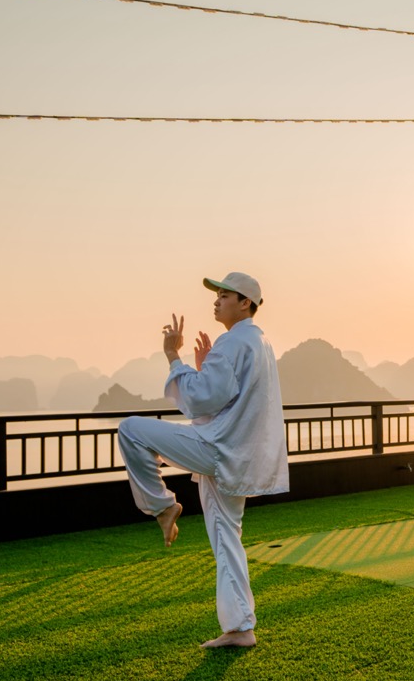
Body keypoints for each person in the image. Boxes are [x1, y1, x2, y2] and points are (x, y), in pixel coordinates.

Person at [117, 272, 289, 648]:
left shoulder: (233, 342)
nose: (216, 301)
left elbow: (199, 399)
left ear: (245, 302)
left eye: (224, 295)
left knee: (130, 429)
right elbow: (226, 397)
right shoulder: (259, 342)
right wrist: (207, 365)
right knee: (228, 538)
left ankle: (162, 506)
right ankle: (240, 627)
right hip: (237, 456)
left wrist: (173, 357)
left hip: (218, 449)